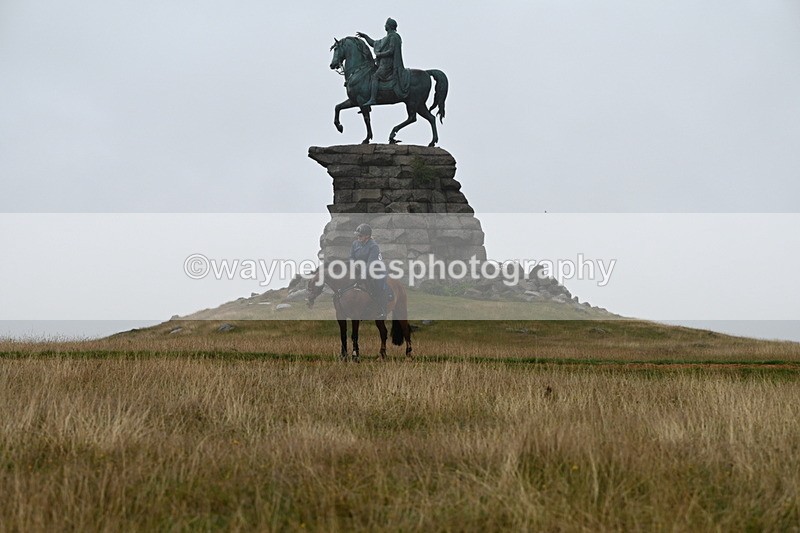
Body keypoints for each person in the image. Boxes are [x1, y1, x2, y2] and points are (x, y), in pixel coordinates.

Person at [356, 17, 410, 106]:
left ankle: (373, 99)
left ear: (389, 26)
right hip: (383, 64)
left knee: (375, 76)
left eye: (386, 24)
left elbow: (391, 51)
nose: (384, 26)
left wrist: (380, 55)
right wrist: (365, 36)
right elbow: (374, 43)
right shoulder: (386, 38)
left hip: (388, 65)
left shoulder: (394, 36)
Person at [350, 223, 388, 319]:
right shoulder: (355, 244)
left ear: (367, 236)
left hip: (376, 269)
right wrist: (354, 265)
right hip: (361, 268)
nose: (358, 237)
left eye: (360, 235)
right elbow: (351, 257)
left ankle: (381, 310)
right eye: (357, 235)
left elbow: (371, 263)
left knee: (379, 287)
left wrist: (363, 274)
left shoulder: (373, 246)